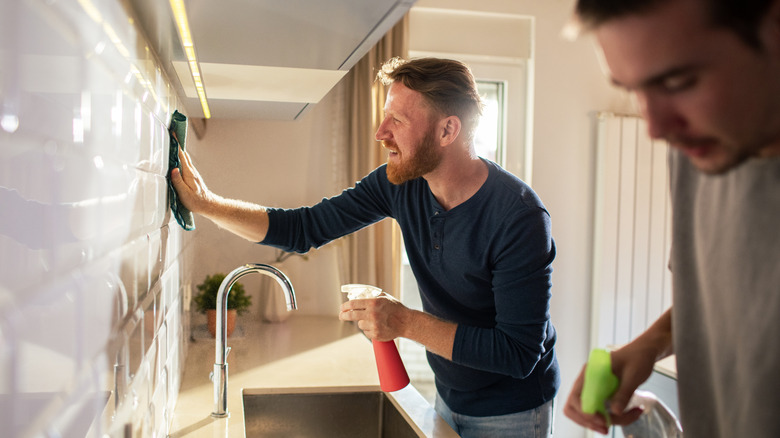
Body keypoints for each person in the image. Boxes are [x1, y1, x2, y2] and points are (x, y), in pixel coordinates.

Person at [171, 57, 560, 437]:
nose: (380, 132)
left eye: (398, 120)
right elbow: (304, 228)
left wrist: (404, 322)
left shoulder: (518, 216)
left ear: (447, 131)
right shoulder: (400, 183)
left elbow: (518, 354)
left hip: (513, 411)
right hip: (448, 392)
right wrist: (207, 205)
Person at [563, 1, 780, 437]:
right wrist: (649, 344)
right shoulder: (696, 151)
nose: (656, 129)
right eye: (632, 90)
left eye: (679, 81)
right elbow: (720, 290)